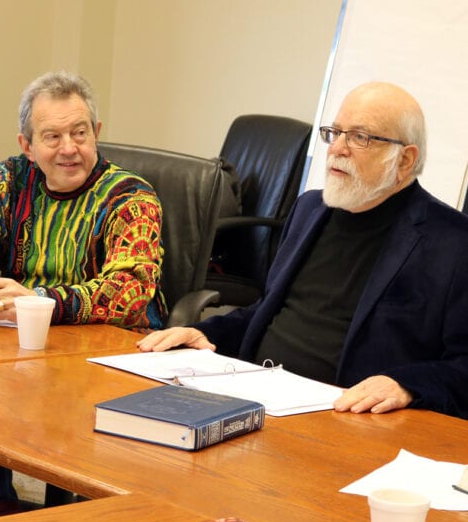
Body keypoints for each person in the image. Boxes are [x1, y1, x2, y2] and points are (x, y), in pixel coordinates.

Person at [138, 81, 468, 420]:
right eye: (335, 132)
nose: (337, 148)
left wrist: (405, 384)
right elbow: (266, 312)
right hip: (255, 398)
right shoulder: (309, 210)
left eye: (360, 137)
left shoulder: (453, 243)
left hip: (348, 420)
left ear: (405, 159)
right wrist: (206, 333)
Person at [0, 70, 167, 519]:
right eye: (52, 136)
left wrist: (37, 300)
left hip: (110, 357)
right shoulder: (10, 178)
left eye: (79, 133)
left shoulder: (131, 197)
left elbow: (128, 291)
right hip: (23, 349)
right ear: (27, 144)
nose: (68, 149)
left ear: (96, 133)